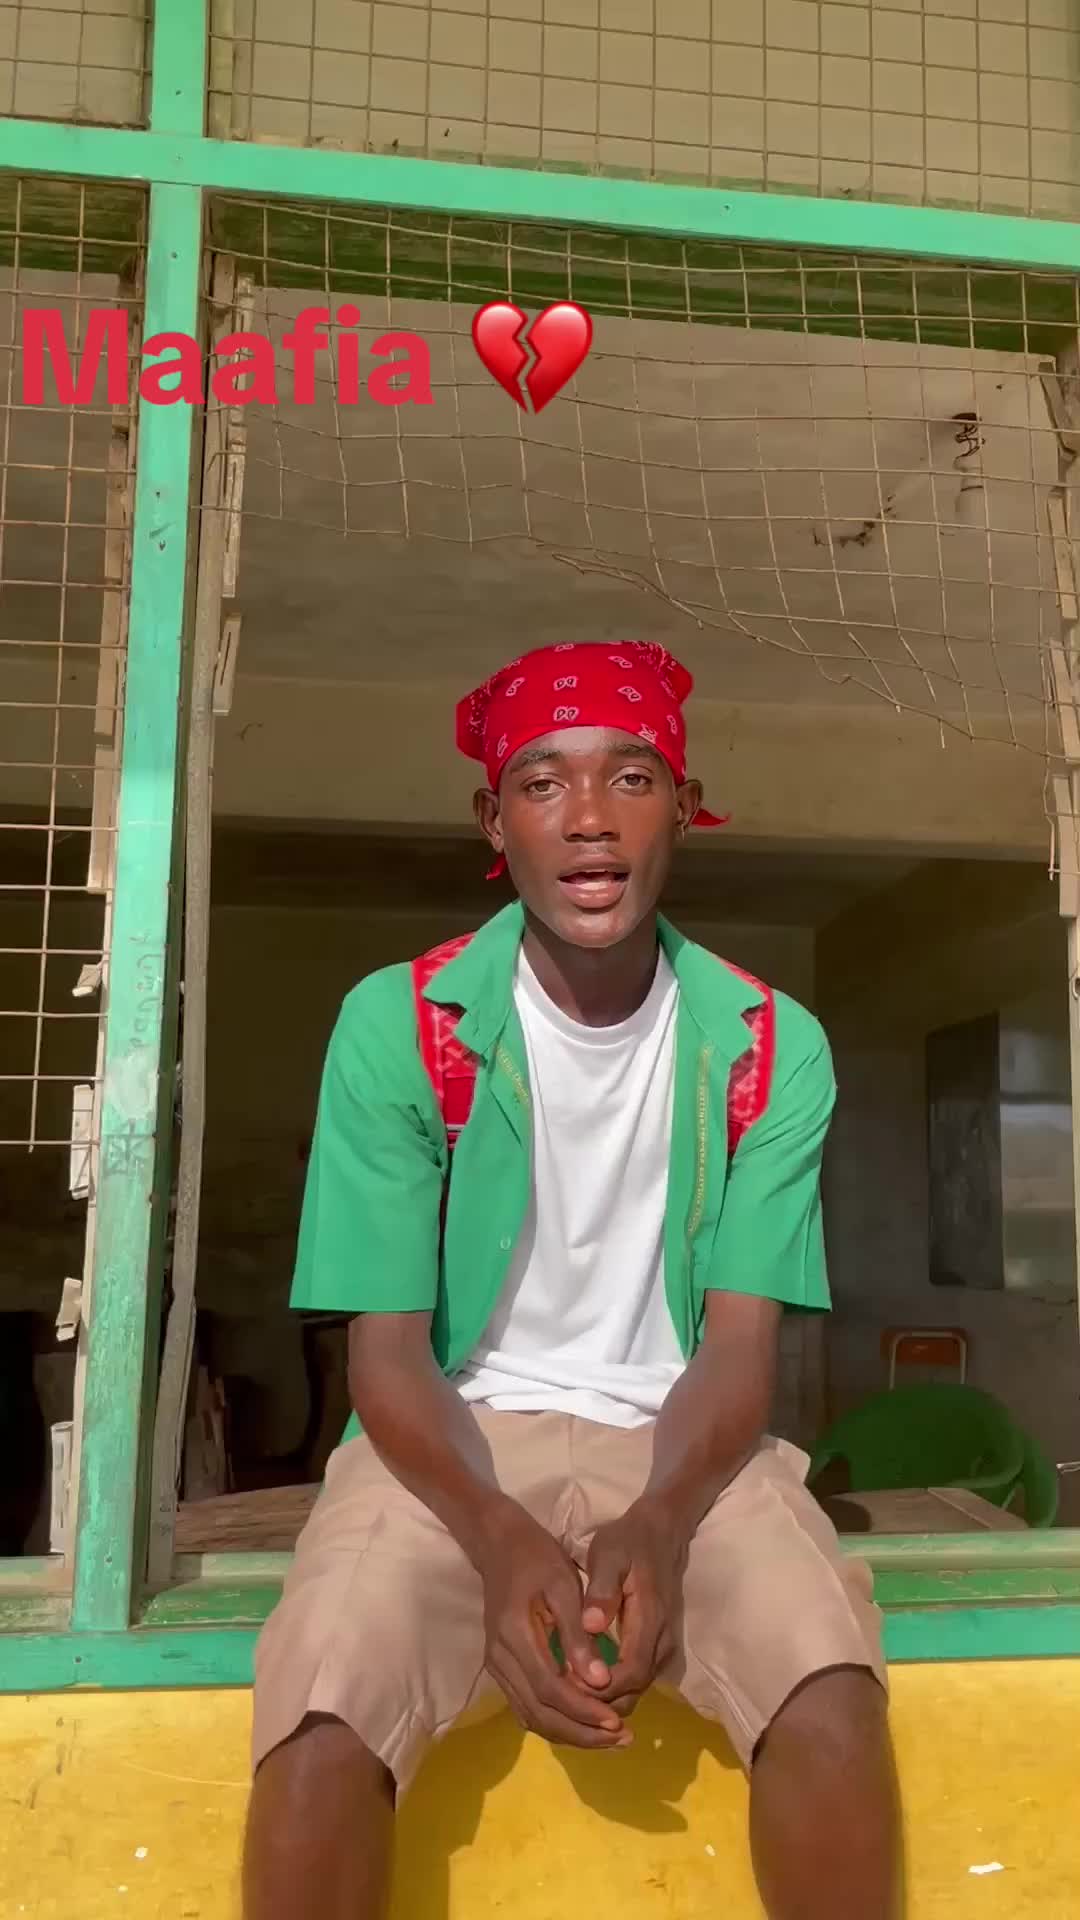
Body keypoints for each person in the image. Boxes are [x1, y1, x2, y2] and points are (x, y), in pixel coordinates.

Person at [243, 641, 899, 1920]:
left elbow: (739, 1349)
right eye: (543, 783)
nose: (589, 818)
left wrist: (660, 1518)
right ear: (494, 821)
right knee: (321, 1716)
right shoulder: (403, 1024)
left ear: (683, 808)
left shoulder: (772, 1046)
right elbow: (386, 1355)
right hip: (449, 1442)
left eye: (631, 779)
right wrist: (498, 1539)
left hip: (688, 1444)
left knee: (828, 1690)